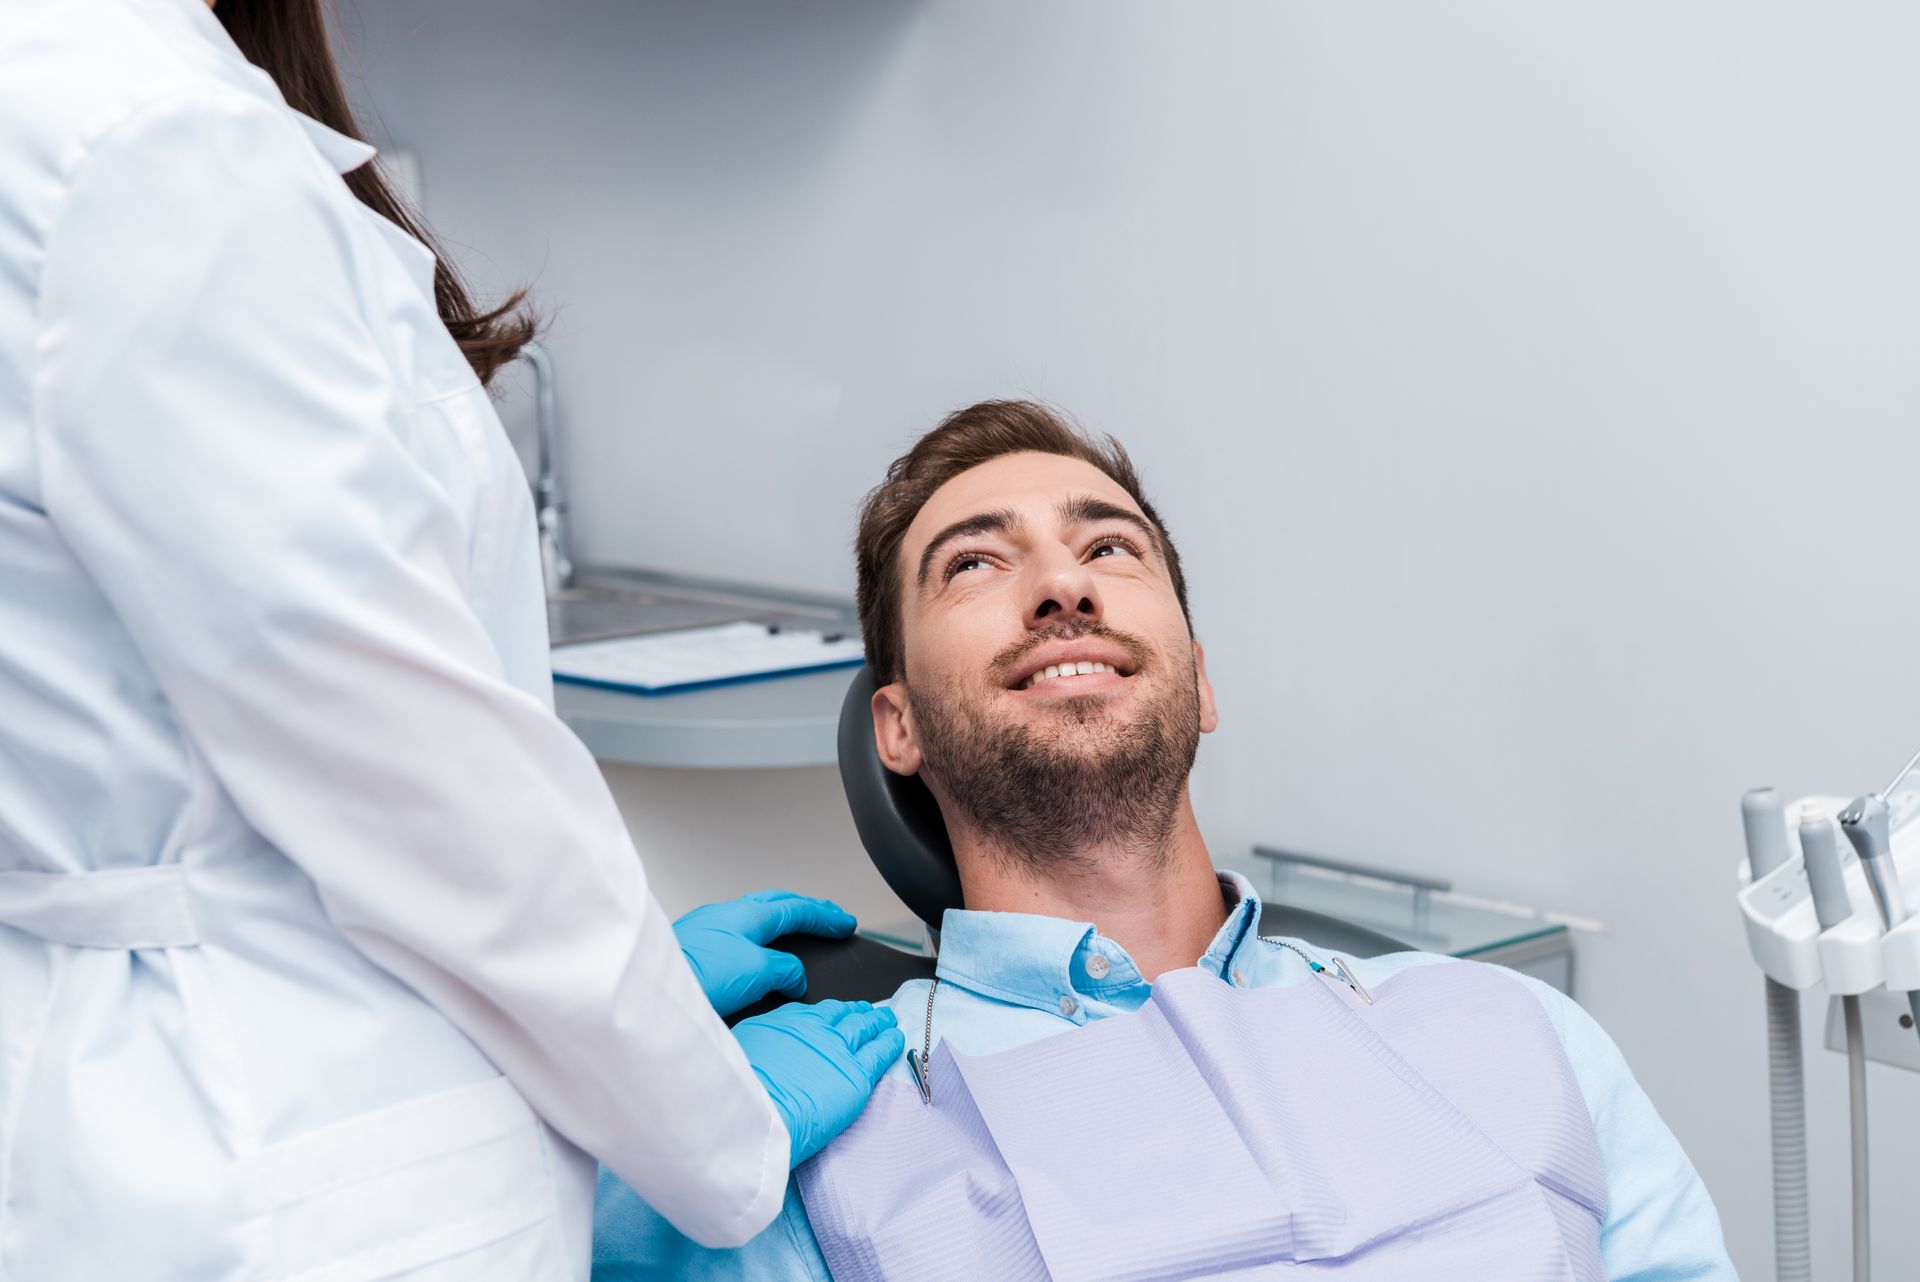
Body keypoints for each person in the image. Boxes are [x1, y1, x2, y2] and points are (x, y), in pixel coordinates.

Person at [0, 0, 897, 1277]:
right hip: (288, 1131)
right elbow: (421, 787)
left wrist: (626, 1010)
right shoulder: (145, 138)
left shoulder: (114, 107)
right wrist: (718, 1122)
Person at [593, 400, 1736, 1279]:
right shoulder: (812, 1144)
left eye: (1110, 550)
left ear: (1199, 683)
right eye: (977, 564)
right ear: (897, 726)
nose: (1060, 588)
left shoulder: (1521, 1034)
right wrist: (603, 1139)